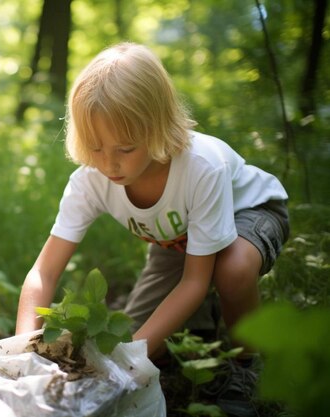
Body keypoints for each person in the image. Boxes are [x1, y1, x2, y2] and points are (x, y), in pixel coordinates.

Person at [15, 42, 289, 416]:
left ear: (157, 127)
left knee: (231, 271)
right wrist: (23, 349)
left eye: (125, 148)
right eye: (95, 147)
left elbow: (194, 281)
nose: (109, 163)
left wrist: (126, 363)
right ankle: (201, 328)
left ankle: (246, 366)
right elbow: (43, 272)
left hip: (250, 214)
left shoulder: (201, 168)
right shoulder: (89, 181)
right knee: (137, 337)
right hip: (176, 242)